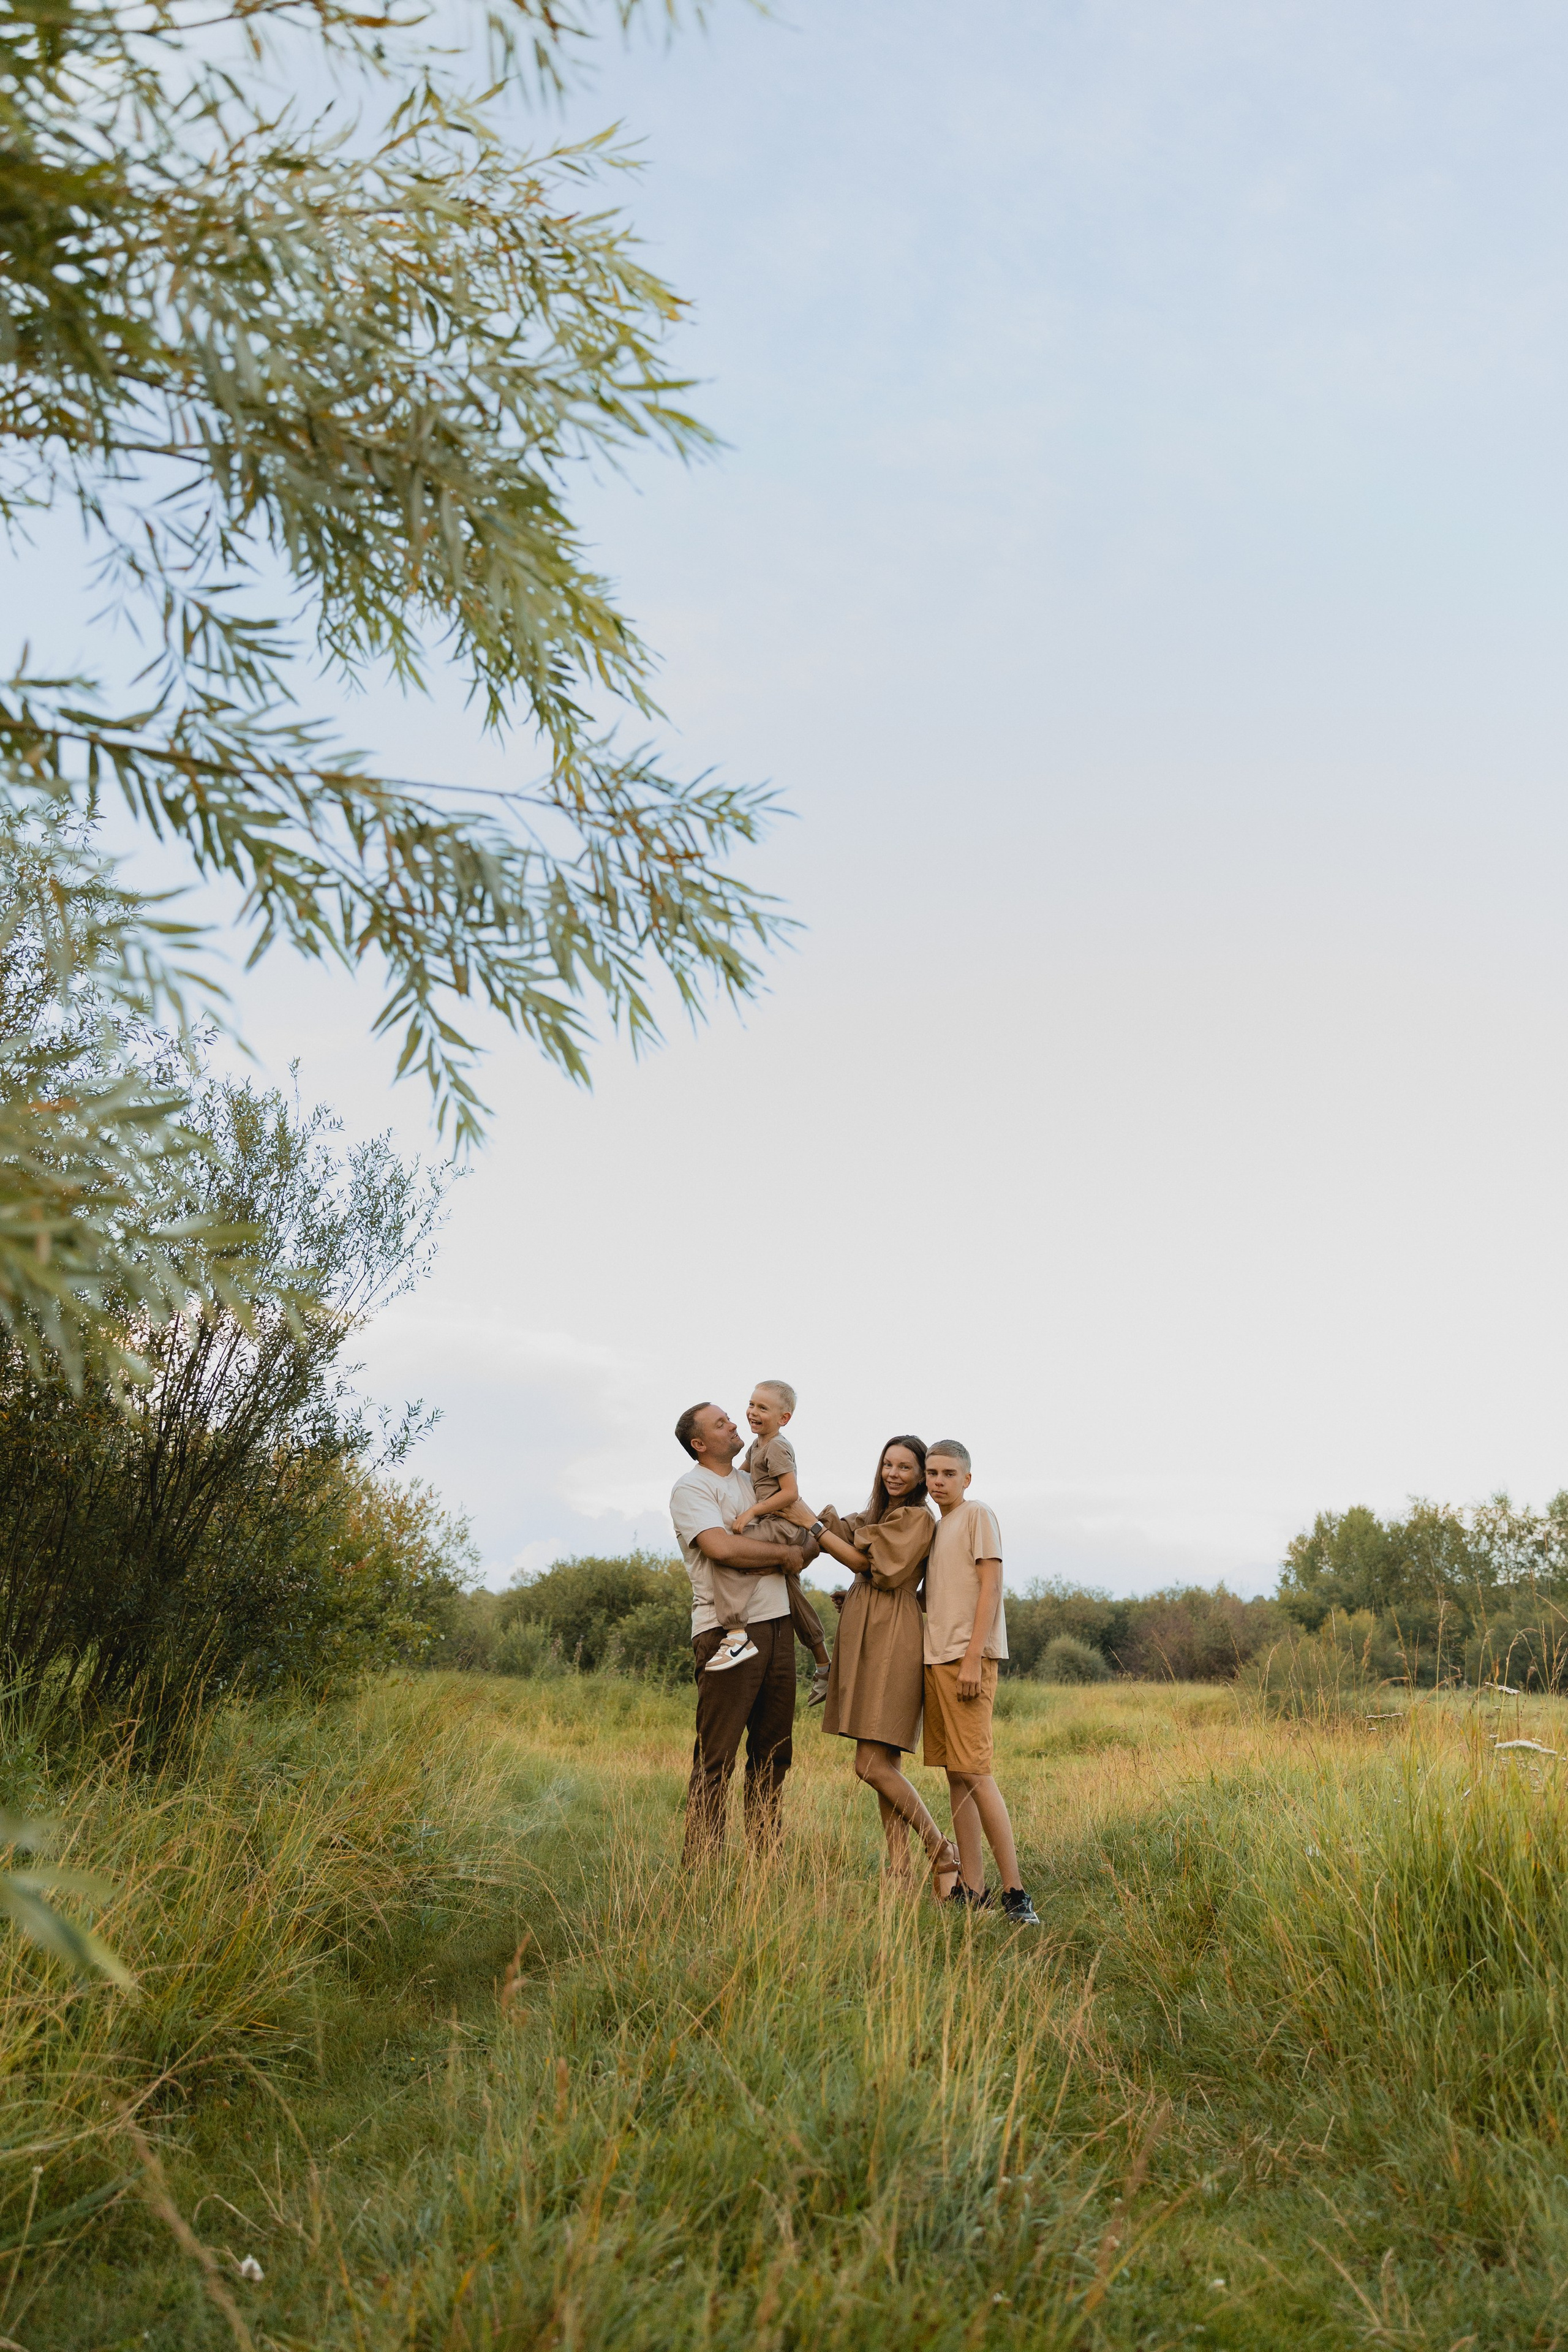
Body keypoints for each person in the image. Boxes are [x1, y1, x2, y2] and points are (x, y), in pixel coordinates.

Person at [669, 1400, 821, 1864]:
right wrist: (784, 1556)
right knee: (717, 1758)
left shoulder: (753, 1482)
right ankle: (703, 1869)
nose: (734, 1423)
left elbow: (799, 1537)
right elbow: (721, 1548)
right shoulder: (692, 1488)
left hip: (779, 1626)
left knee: (773, 1754)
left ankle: (766, 1864)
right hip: (725, 1632)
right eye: (721, 1423)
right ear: (700, 1444)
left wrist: (805, 1545)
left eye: (730, 1418)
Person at [814, 1434, 964, 1898]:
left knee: (868, 1765)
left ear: (920, 1477)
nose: (893, 1474)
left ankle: (941, 1848)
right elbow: (851, 1542)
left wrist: (811, 1527)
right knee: (885, 1762)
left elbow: (878, 1568)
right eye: (887, 1465)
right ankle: (899, 1873)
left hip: (893, 1637)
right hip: (871, 1631)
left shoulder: (917, 1517)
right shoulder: (879, 1516)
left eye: (904, 1467)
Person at [922, 1440, 1041, 1925]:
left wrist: (974, 1657)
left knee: (976, 1771)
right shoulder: (936, 1528)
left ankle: (1016, 1893)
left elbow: (991, 1585)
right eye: (932, 1473)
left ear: (966, 1479)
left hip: (967, 1659)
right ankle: (973, 1888)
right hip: (935, 1659)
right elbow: (937, 1597)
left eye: (949, 1474)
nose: (939, 1481)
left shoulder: (977, 1515)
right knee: (956, 1773)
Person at [704, 1380, 832, 1704]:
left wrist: (751, 1513)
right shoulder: (757, 1445)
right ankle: (824, 1665)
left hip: (782, 1524)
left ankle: (736, 1634)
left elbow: (790, 1492)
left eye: (763, 1408)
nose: (753, 1412)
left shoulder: (776, 1446)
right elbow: (739, 1477)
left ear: (783, 1418)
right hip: (777, 1524)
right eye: (751, 1404)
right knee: (791, 1591)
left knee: (729, 1554)